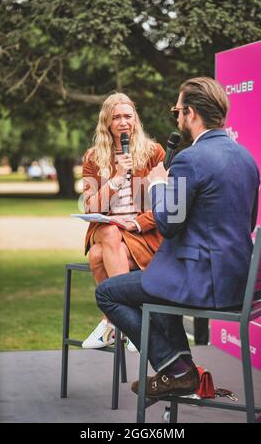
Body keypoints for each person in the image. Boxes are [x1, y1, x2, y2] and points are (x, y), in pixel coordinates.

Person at [95, 77, 260, 397]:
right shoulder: (246, 158)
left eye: (178, 112)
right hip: (239, 282)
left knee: (110, 293)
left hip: (204, 283)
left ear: (193, 113)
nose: (178, 119)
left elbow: (168, 225)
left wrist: (159, 185)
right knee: (154, 284)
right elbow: (248, 222)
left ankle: (175, 369)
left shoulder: (189, 159)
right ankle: (181, 369)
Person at [81, 92, 165, 350]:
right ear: (107, 122)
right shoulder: (93, 158)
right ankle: (134, 323)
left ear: (136, 119)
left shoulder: (154, 153)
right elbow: (90, 206)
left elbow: (166, 205)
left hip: (140, 234)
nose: (123, 122)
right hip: (105, 229)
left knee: (97, 256)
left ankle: (111, 322)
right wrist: (117, 177)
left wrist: (137, 223)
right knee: (108, 231)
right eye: (116, 117)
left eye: (128, 116)